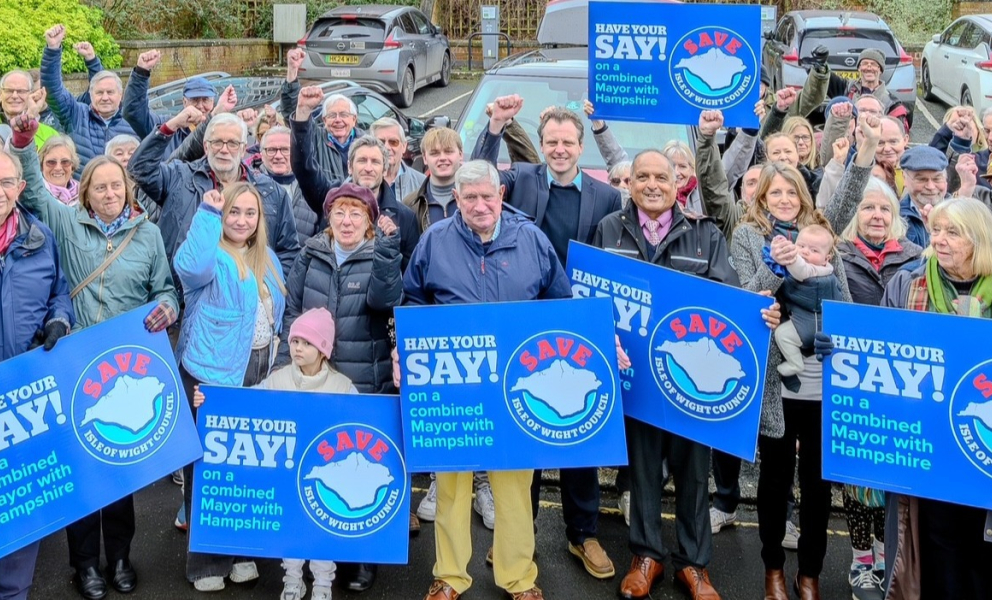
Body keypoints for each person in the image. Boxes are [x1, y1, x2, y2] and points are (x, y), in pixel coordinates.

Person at [592, 148, 779, 600]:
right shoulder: (608, 229)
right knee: (642, 472)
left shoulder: (704, 233)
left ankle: (694, 564)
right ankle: (646, 556)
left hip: (691, 379)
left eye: (662, 177)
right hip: (636, 376)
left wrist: (757, 312)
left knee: (695, 475)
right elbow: (592, 297)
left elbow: (729, 298)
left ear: (677, 184)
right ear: (630, 183)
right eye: (643, 177)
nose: (652, 185)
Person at [10, 113, 178, 600]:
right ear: (85, 193)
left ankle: (120, 557)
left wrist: (167, 308)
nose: (109, 194)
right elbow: (34, 187)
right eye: (99, 187)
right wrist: (22, 140)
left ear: (127, 190)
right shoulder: (66, 224)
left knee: (121, 469)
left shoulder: (147, 234)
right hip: (76, 365)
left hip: (125, 368)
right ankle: (84, 565)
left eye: (116, 186)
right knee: (81, 473)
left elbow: (165, 290)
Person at [400, 159, 575, 600]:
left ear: (501, 196)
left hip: (517, 383)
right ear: (457, 199)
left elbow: (561, 304)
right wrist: (404, 349)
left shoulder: (531, 239)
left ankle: (519, 578)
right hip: (453, 384)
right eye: (470, 197)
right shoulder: (434, 240)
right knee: (452, 486)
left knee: (513, 488)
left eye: (487, 196)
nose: (480, 205)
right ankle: (449, 576)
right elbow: (413, 300)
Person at [474, 95, 622, 579]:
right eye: (552, 142)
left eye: (567, 142)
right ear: (541, 145)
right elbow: (479, 173)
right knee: (528, 431)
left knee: (579, 428)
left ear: (581, 147)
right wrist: (495, 126)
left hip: (579, 324)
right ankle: (521, 534)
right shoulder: (520, 181)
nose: (559, 150)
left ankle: (584, 534)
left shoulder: (606, 197)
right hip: (526, 322)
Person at [730, 161, 850, 600]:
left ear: (803, 196)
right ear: (761, 197)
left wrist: (834, 335)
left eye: (792, 192)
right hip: (776, 383)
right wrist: (777, 267)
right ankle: (774, 570)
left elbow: (843, 300)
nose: (784, 199)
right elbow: (747, 297)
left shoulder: (820, 235)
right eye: (775, 192)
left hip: (822, 381)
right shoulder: (747, 236)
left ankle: (810, 573)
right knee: (775, 480)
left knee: (818, 483)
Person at [281, 181, 402, 591]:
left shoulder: (380, 253)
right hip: (315, 379)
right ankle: (312, 552)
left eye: (356, 214)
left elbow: (386, 301)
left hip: (364, 377)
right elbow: (292, 312)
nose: (347, 220)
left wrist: (387, 251)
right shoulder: (310, 253)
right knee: (319, 466)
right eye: (339, 212)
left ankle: (362, 557)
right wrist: (288, 364)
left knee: (358, 466)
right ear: (328, 217)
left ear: (369, 222)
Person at [192, 307, 354, 600]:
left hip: (323, 476)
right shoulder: (278, 380)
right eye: (295, 341)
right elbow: (248, 400)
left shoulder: (342, 387)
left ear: (323, 350)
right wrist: (211, 401)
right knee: (290, 529)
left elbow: (362, 421)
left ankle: (322, 584)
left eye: (307, 343)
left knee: (322, 531)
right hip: (286, 474)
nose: (298, 348)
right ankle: (292, 580)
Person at [173, 183, 286, 592]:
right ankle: (206, 562)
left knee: (246, 466)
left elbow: (277, 315)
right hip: (212, 377)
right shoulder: (209, 254)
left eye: (249, 213)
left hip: (258, 374)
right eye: (233, 212)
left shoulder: (267, 258)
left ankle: (240, 551)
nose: (241, 220)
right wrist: (207, 213)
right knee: (209, 470)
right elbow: (188, 268)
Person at [880, 197, 992, 600]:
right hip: (931, 448)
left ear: (979, 240)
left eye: (953, 232)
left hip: (984, 448)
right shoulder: (907, 283)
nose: (939, 240)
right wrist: (838, 347)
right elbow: (880, 348)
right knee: (940, 551)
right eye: (937, 230)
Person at [0, 146, 74, 600]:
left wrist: (59, 320)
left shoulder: (40, 237)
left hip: (20, 392)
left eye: (5, 182)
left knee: (19, 498)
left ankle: (13, 591)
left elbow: (59, 293)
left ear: (20, 187)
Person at [129, 107, 300, 276]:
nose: (224, 150)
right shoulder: (179, 177)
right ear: (206, 146)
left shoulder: (270, 191)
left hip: (248, 289)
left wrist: (271, 287)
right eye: (217, 142)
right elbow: (139, 169)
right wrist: (170, 126)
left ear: (243, 149)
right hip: (185, 288)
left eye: (232, 143)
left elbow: (287, 251)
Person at [291, 85, 420, 270]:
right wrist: (303, 113)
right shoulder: (329, 197)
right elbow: (304, 169)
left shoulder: (405, 218)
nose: (368, 168)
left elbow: (410, 274)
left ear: (385, 170)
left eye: (375, 162)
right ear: (350, 167)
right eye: (361, 160)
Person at [40, 25, 135, 169]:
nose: (105, 97)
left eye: (110, 92)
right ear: (90, 94)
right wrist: (53, 49)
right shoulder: (77, 115)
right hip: (83, 184)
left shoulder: (134, 122)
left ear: (120, 95)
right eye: (99, 93)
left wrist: (92, 60)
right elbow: (53, 91)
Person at [772, 224, 844, 390]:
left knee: (782, 335)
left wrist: (786, 252)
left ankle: (795, 363)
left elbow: (800, 270)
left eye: (814, 250)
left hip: (810, 326)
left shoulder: (815, 271)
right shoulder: (823, 269)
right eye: (801, 246)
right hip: (809, 321)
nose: (805, 252)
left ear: (827, 259)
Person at [281, 48, 364, 181]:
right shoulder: (315, 139)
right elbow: (293, 113)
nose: (338, 120)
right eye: (332, 115)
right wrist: (292, 71)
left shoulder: (367, 143)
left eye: (343, 114)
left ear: (354, 119)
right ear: (324, 120)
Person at [123, 49, 217, 156]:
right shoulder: (165, 126)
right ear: (184, 102)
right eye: (195, 100)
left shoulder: (221, 130)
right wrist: (141, 73)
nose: (200, 106)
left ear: (213, 102)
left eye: (205, 100)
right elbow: (134, 113)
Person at [251, 125, 315, 245]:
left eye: (285, 149)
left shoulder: (312, 186)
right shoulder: (249, 186)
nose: (278, 156)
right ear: (261, 154)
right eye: (271, 150)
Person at [404, 126, 464, 233]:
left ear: (460, 155)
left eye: (448, 151)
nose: (442, 158)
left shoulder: (477, 198)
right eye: (434, 153)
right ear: (425, 158)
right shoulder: (411, 204)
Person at [898, 146, 950, 248]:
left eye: (937, 179)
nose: (931, 187)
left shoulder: (961, 214)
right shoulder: (896, 218)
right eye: (921, 179)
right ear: (905, 179)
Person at [369, 117, 425, 203]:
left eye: (393, 142)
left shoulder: (422, 183)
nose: (387, 147)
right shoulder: (357, 182)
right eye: (380, 142)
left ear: (404, 146)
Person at [1, 70, 59, 147]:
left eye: (21, 91)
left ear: (31, 95)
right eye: (9, 91)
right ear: (0, 94)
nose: (14, 96)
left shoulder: (51, 135)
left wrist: (30, 116)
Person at [38, 134, 80, 205]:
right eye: (51, 162)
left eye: (65, 162)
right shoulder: (34, 196)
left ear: (72, 166)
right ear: (42, 166)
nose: (58, 168)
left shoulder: (85, 196)